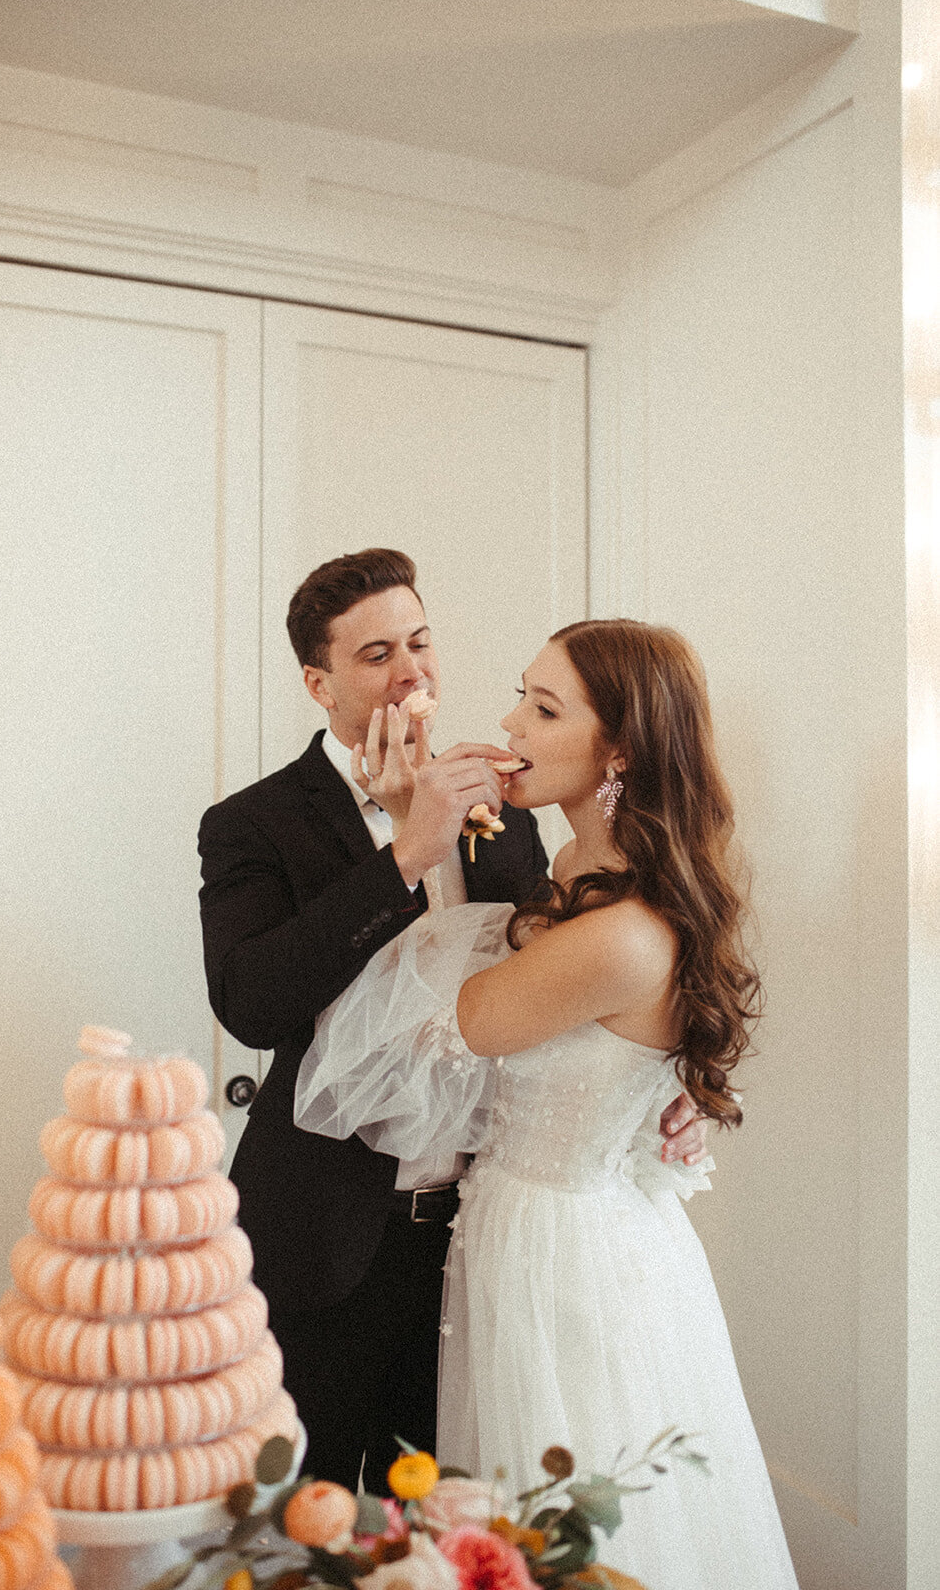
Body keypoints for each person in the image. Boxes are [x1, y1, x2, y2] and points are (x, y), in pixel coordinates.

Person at [296, 619, 799, 1589]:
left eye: (541, 706)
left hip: (565, 1264)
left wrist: (415, 839)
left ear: (617, 750)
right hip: (517, 1227)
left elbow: (465, 1021)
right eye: (518, 695)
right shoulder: (570, 875)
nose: (505, 721)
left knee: (571, 1515)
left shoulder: (622, 932)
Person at [198, 553, 706, 1492]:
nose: (412, 673)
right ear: (319, 684)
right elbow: (253, 1004)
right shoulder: (251, 823)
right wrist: (403, 856)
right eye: (376, 654)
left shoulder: (509, 806)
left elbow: (580, 984)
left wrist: (675, 1083)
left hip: (476, 1245)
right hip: (326, 1238)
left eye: (421, 642)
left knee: (447, 1514)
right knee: (290, 1513)